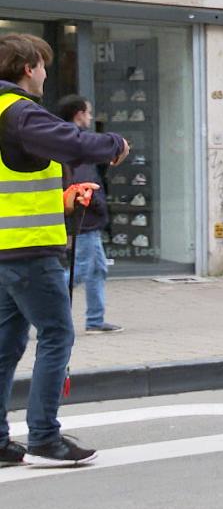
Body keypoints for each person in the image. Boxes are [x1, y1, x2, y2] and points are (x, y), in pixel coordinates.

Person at [0, 33, 129, 465]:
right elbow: (72, 142)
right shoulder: (19, 112)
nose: (45, 73)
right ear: (28, 67)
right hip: (30, 252)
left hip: (5, 251)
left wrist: (63, 200)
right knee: (56, 336)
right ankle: (44, 438)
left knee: (5, 345)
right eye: (43, 65)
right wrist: (113, 145)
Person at [58, 95, 123, 334]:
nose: (91, 117)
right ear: (78, 114)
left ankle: (95, 320)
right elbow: (82, 182)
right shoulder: (78, 141)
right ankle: (35, 307)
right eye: (88, 112)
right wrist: (97, 205)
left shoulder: (64, 137)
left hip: (87, 221)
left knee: (97, 269)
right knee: (79, 272)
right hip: (85, 220)